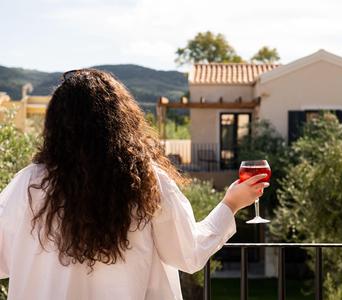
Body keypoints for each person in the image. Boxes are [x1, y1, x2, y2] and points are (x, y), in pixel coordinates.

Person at [0, 69, 268, 300]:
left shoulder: (29, 183)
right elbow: (188, 253)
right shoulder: (147, 182)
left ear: (56, 126)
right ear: (121, 120)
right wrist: (230, 204)